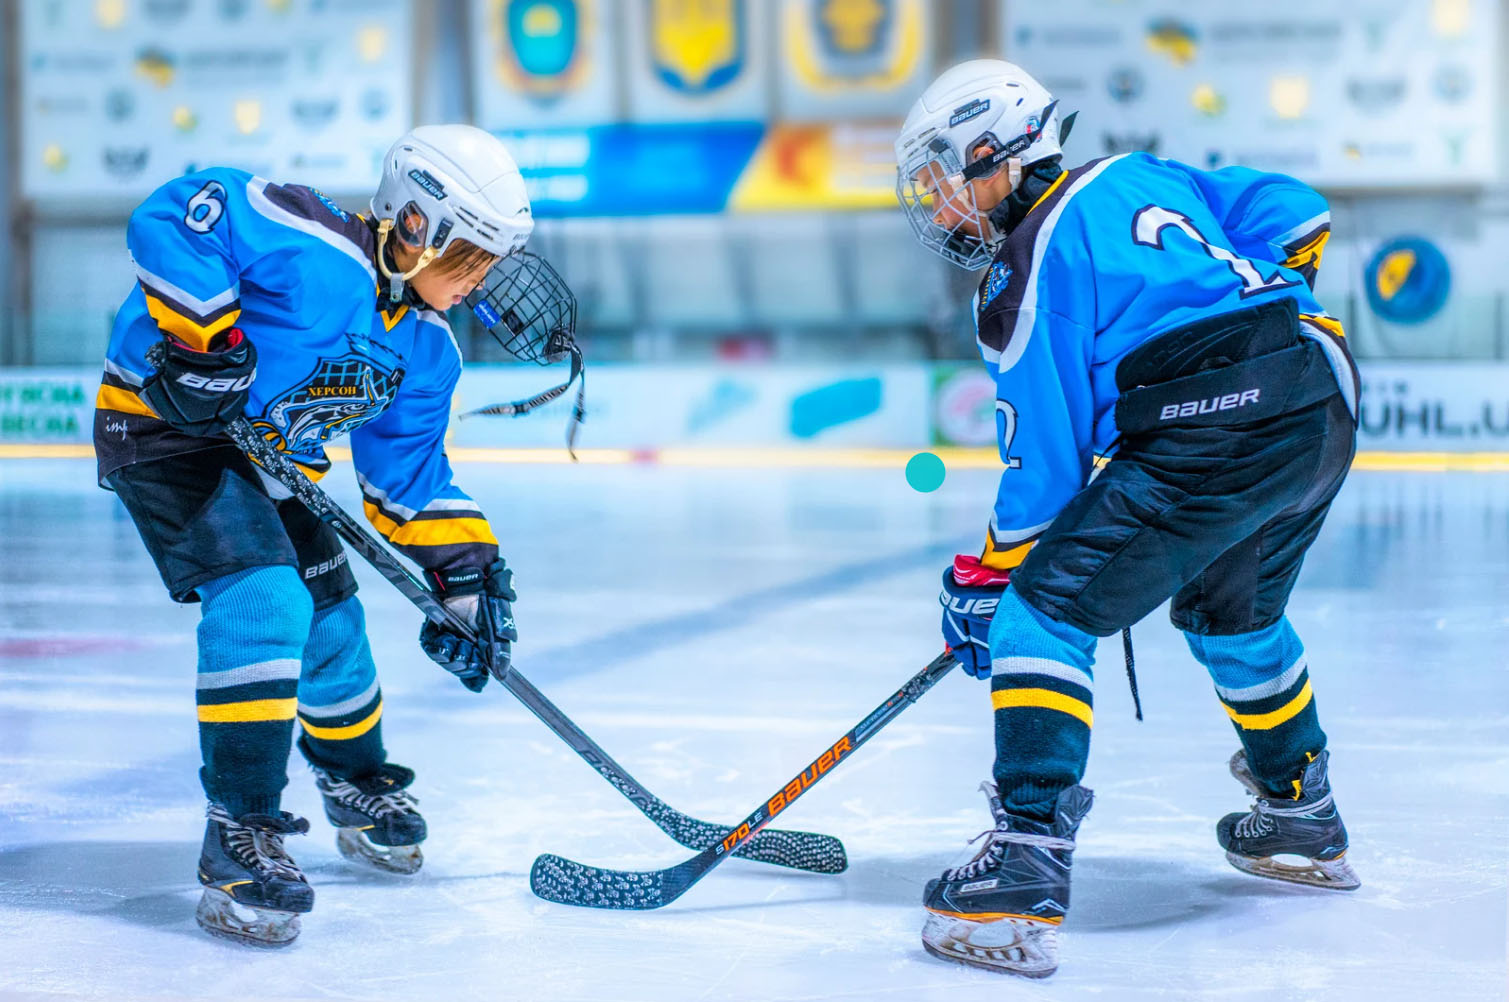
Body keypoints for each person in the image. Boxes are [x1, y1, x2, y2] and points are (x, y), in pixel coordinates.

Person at [894, 60, 1360, 978]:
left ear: (998, 156)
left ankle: (1025, 858)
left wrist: (986, 582)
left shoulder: (1021, 276)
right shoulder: (1141, 175)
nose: (941, 205)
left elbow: (1044, 481)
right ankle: (1301, 813)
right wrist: (1254, 307)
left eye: (946, 177)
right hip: (1319, 395)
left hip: (1214, 420)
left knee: (1043, 610)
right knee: (1235, 617)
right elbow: (1298, 212)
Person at [94, 124, 576, 947]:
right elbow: (178, 213)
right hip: (167, 430)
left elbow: (408, 481)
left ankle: (355, 781)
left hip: (272, 460)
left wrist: (464, 582)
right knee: (265, 598)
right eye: (472, 258)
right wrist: (202, 342)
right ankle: (239, 831)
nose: (480, 283)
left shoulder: (426, 351)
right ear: (416, 224)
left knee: (334, 627)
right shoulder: (312, 247)